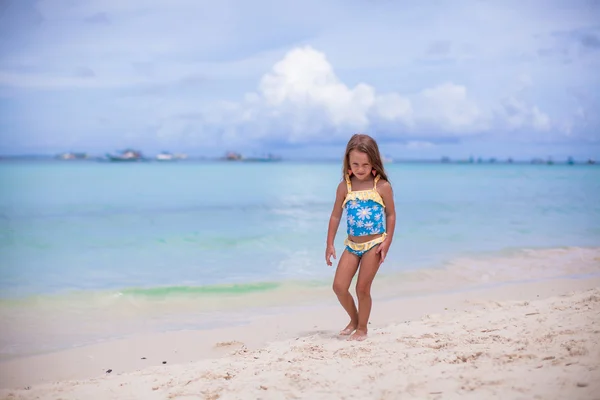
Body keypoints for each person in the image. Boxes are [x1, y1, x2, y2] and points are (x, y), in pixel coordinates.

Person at [325, 133, 396, 341]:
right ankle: (355, 320)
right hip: (352, 246)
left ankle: (362, 328)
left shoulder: (381, 186)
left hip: (374, 245)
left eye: (365, 164)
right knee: (339, 287)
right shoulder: (344, 187)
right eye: (355, 164)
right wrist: (329, 243)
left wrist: (387, 241)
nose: (360, 169)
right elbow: (335, 215)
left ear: (374, 162)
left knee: (362, 288)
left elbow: (390, 215)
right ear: (348, 162)